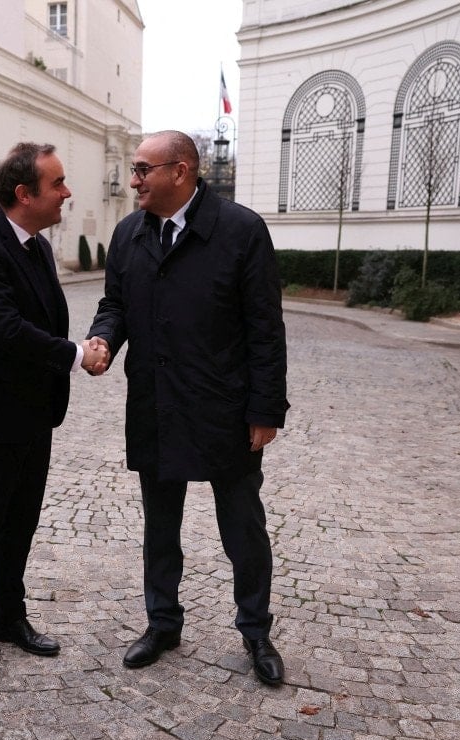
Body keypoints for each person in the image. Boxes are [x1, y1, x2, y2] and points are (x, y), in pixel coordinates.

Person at [85, 130, 290, 685]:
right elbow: (115, 302)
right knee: (160, 525)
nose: (133, 181)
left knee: (242, 527)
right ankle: (162, 623)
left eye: (143, 169)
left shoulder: (242, 230)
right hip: (155, 403)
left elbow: (265, 329)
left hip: (224, 408)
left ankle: (255, 630)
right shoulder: (129, 233)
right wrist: (105, 338)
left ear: (181, 171)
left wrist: (265, 410)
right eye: (134, 169)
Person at [0, 142, 106, 683]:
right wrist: (76, 355)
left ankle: (8, 618)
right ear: (24, 193)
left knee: (21, 523)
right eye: (57, 183)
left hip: (35, 413)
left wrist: (79, 347)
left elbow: (44, 321)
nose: (66, 192)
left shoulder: (36, 246)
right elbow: (8, 331)